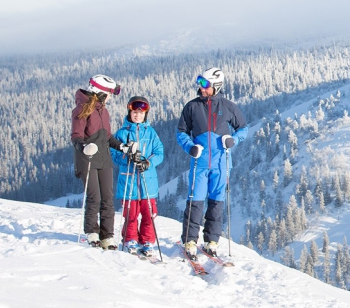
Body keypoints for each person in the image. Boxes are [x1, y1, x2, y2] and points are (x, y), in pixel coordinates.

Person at [177, 67, 248, 259]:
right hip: (199, 163)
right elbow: (181, 132)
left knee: (217, 203)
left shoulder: (228, 106)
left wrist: (233, 140)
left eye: (205, 84)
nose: (201, 88)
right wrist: (190, 147)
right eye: (200, 83)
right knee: (195, 202)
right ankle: (190, 240)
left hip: (221, 163)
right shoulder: (192, 107)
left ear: (216, 86)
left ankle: (212, 241)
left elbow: (243, 128)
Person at [71, 74, 137, 249]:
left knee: (107, 197)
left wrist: (122, 147)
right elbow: (76, 136)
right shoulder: (81, 110)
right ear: (99, 93)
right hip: (88, 160)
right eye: (108, 94)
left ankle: (107, 235)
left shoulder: (103, 111)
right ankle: (92, 232)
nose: (110, 98)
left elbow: (107, 137)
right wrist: (84, 147)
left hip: (104, 159)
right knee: (95, 197)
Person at [111, 96, 164, 257]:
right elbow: (114, 154)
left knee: (149, 214)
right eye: (134, 113)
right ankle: (130, 239)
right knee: (131, 214)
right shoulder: (122, 133)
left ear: (145, 115)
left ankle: (147, 241)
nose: (137, 116)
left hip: (148, 182)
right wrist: (126, 156)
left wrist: (148, 163)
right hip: (129, 182)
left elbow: (159, 153)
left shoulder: (151, 132)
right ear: (129, 112)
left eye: (141, 113)